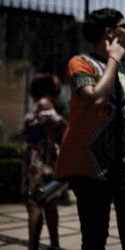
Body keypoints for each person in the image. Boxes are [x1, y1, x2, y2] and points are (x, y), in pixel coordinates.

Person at [55, 8, 125, 250]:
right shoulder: (80, 63)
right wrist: (113, 59)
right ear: (109, 32)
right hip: (91, 164)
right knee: (94, 238)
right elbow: (95, 99)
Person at [22, 73, 67, 250]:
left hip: (39, 160)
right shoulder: (47, 103)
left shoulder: (43, 103)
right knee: (48, 202)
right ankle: (54, 244)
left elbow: (51, 136)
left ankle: (33, 247)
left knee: (34, 203)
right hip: (38, 158)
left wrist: (48, 165)